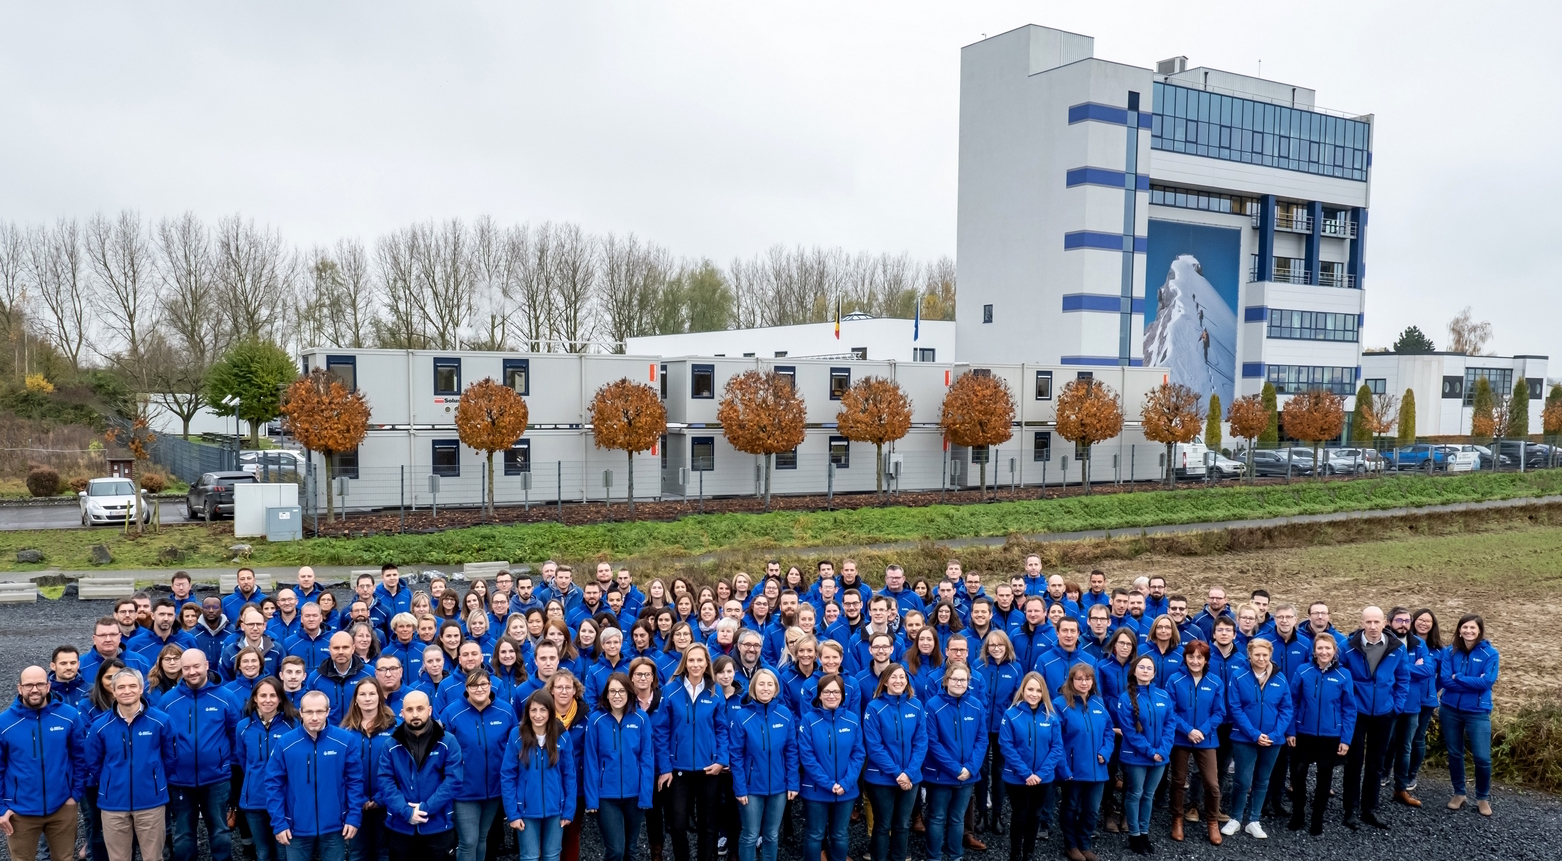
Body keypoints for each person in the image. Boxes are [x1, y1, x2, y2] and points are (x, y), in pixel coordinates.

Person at [264, 691, 366, 861]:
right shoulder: (285, 742)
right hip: (296, 827)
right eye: (309, 712)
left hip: (335, 825)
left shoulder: (345, 740)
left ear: (328, 712)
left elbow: (355, 781)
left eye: (319, 711)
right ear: (301, 712)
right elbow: (273, 784)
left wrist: (354, 817)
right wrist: (279, 823)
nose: (314, 717)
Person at [86, 668, 175, 861]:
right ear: (114, 691)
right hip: (113, 804)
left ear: (141, 688)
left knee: (153, 858)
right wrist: (111, 782)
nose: (127, 691)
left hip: (151, 802)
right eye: (121, 687)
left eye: (132, 686)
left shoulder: (161, 721)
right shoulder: (99, 726)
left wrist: (153, 780)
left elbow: (170, 758)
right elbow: (93, 762)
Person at [0, 666, 86, 861]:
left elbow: (80, 757)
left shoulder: (69, 716)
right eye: (29, 685)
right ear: (19, 688)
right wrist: (1, 809)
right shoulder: (4, 723)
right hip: (19, 813)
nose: (35, 689)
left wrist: (75, 795)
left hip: (62, 807)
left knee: (64, 858)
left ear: (48, 686)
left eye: (40, 684)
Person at [161, 649, 239, 861]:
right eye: (186, 668)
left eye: (196, 666)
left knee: (220, 832)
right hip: (180, 780)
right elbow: (163, 739)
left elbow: (235, 734)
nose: (192, 671)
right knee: (184, 834)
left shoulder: (225, 697)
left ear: (206, 664)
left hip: (216, 779)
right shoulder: (168, 701)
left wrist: (225, 763)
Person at [654, 644, 728, 861]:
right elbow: (661, 731)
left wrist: (722, 760)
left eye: (700, 660)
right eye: (691, 660)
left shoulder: (715, 690)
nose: (695, 664)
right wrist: (665, 768)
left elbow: (722, 728)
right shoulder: (671, 690)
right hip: (678, 769)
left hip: (708, 769)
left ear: (706, 663)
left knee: (708, 825)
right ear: (685, 662)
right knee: (677, 824)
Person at [1339, 606, 1408, 830]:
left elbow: (1403, 678)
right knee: (1353, 763)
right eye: (1368, 622)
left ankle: (1369, 809)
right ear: (1361, 623)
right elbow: (1340, 678)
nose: (1372, 626)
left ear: (1384, 623)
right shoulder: (1347, 647)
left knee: (1376, 764)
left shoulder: (1397, 648)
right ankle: (1350, 810)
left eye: (1376, 622)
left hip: (1383, 714)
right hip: (1356, 713)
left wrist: (1396, 707)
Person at [379, 690, 465, 861]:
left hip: (438, 825)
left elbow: (453, 781)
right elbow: (385, 781)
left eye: (420, 708)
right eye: (410, 710)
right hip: (401, 826)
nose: (415, 714)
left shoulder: (447, 742)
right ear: (402, 713)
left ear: (430, 710)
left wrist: (426, 808)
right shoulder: (390, 745)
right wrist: (406, 812)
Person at [1222, 639, 1292, 840]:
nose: (1261, 659)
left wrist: (1275, 734)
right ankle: (1235, 818)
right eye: (1257, 655)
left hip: (1272, 739)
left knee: (1262, 780)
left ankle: (1253, 820)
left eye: (1265, 655)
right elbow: (1235, 707)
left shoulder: (1280, 678)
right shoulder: (1239, 676)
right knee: (1242, 780)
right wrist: (1253, 734)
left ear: (1270, 655)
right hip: (1244, 737)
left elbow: (1286, 708)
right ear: (1249, 655)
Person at [443, 671, 517, 861]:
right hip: (463, 790)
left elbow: (515, 746)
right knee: (468, 840)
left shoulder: (506, 711)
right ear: (466, 688)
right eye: (474, 685)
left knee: (482, 838)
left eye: (484, 684)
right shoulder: (452, 713)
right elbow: (442, 750)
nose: (479, 689)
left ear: (491, 685)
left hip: (494, 789)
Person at [1286, 635, 1355, 835]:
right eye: (1320, 648)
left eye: (1328, 648)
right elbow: (1292, 701)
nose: (1324, 652)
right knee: (1298, 776)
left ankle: (1317, 818)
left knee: (1324, 779)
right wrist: (1291, 730)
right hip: (1303, 734)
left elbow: (1349, 709)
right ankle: (1298, 814)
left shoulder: (1344, 675)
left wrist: (1345, 739)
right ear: (1314, 651)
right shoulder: (1303, 671)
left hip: (1330, 735)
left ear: (1335, 651)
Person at [583, 673, 655, 861]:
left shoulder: (641, 719)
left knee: (631, 850)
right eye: (612, 691)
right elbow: (590, 760)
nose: (617, 695)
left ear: (629, 692)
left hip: (635, 795)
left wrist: (646, 795)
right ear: (606, 694)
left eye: (621, 691)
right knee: (616, 850)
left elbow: (647, 758)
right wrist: (592, 799)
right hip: (606, 796)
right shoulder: (596, 720)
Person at [502, 691, 577, 861]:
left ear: (550, 711)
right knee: (530, 856)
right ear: (527, 712)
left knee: (552, 856)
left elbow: (569, 774)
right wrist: (512, 813)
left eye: (543, 710)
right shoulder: (517, 735)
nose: (538, 715)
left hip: (555, 809)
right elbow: (508, 775)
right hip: (526, 809)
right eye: (533, 710)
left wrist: (569, 810)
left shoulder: (562, 735)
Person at [924, 663, 987, 861]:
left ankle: (955, 855)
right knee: (936, 818)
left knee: (957, 818)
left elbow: (982, 739)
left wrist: (970, 768)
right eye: (955, 679)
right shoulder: (933, 705)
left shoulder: (976, 705)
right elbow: (932, 742)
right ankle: (934, 856)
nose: (960, 683)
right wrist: (954, 768)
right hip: (940, 775)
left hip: (967, 775)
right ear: (946, 680)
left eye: (964, 680)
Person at [998, 672, 1065, 861]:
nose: (1034, 694)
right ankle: (1015, 853)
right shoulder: (1011, 714)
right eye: (1030, 689)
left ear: (1043, 692)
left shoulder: (1050, 716)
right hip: (1017, 777)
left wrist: (1041, 774)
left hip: (1043, 778)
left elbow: (1057, 747)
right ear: (1023, 690)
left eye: (1038, 690)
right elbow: (1007, 746)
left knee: (1035, 815)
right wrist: (1026, 773)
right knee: (1020, 815)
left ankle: (1029, 852)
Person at [798, 674, 864, 861]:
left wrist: (846, 782)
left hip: (846, 789)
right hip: (816, 789)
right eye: (826, 691)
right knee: (815, 834)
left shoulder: (852, 720)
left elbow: (858, 753)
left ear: (843, 695)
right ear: (819, 695)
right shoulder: (809, 720)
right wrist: (828, 784)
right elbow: (807, 756)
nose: (831, 695)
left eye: (836, 691)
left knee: (840, 834)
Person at [1164, 640, 1224, 845]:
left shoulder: (1215, 682)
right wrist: (1188, 730)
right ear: (1185, 658)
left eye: (1200, 657)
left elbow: (1219, 712)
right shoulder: (1174, 680)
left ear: (1206, 659)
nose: (1195, 661)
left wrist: (1202, 730)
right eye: (1191, 656)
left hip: (1206, 739)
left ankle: (1212, 822)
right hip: (1181, 738)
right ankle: (1177, 819)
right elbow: (1170, 711)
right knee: (1179, 781)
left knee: (1212, 784)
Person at [1113, 656, 1173, 856]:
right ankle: (1134, 835)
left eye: (1149, 668)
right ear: (1134, 671)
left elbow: (1170, 725)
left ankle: (1144, 832)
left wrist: (1163, 750)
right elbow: (1129, 732)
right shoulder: (1125, 698)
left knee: (1149, 795)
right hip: (1137, 756)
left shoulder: (1163, 696)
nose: (1146, 670)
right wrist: (1150, 751)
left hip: (1160, 756)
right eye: (1142, 667)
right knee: (1135, 793)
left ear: (1154, 673)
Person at [1440, 613, 1498, 816]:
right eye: (1464, 627)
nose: (1468, 631)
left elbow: (1487, 682)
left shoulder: (1490, 654)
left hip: (1478, 712)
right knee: (1455, 753)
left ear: (1480, 630)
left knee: (1482, 758)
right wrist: (1471, 682)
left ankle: (1482, 797)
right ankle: (1459, 793)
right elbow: (1445, 680)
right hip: (1450, 709)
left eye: (1473, 628)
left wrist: (1460, 677)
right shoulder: (1449, 652)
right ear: (1459, 629)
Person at [236, 678, 299, 861]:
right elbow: (243, 760)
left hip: (284, 799)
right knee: (263, 852)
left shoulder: (292, 725)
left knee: (282, 851)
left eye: (273, 695)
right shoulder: (243, 727)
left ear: (280, 698)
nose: (268, 700)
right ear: (254, 698)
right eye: (263, 695)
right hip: (254, 799)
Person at [1053, 663, 1112, 861]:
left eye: (1087, 679)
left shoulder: (1099, 703)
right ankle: (1070, 845)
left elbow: (1109, 731)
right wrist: (1063, 767)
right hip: (1073, 768)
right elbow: (1056, 740)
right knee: (1070, 806)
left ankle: (1084, 843)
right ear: (1071, 681)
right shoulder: (1060, 704)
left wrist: (1106, 751)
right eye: (1079, 678)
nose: (1084, 682)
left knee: (1092, 809)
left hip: (1098, 769)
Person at [339, 678, 396, 861]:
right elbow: (341, 771)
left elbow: (400, 767)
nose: (367, 698)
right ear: (355, 699)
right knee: (357, 853)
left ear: (380, 697)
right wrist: (359, 798)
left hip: (387, 801)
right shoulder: (345, 732)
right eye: (362, 694)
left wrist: (381, 797)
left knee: (384, 852)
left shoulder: (396, 728)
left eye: (372, 693)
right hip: (355, 803)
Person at [1386, 607, 1433, 808]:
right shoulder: (1385, 641)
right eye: (1399, 620)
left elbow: (1429, 669)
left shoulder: (1418, 643)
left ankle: (1401, 787)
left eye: (1407, 620)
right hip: (1388, 703)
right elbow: (1383, 670)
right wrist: (1415, 667)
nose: (1403, 624)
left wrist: (1402, 668)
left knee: (1405, 748)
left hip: (1412, 705)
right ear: (1390, 622)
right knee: (1385, 745)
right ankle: (1377, 782)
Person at [1398, 609, 1442, 801]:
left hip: (1426, 700)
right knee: (1396, 738)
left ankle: (1412, 774)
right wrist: (1416, 667)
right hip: (1406, 696)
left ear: (1433, 625)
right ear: (1413, 621)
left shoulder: (1439, 649)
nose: (1424, 624)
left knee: (1417, 738)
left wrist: (1432, 687)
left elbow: (1434, 672)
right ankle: (1387, 772)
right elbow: (1398, 668)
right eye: (1420, 620)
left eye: (1428, 621)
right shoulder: (1406, 643)